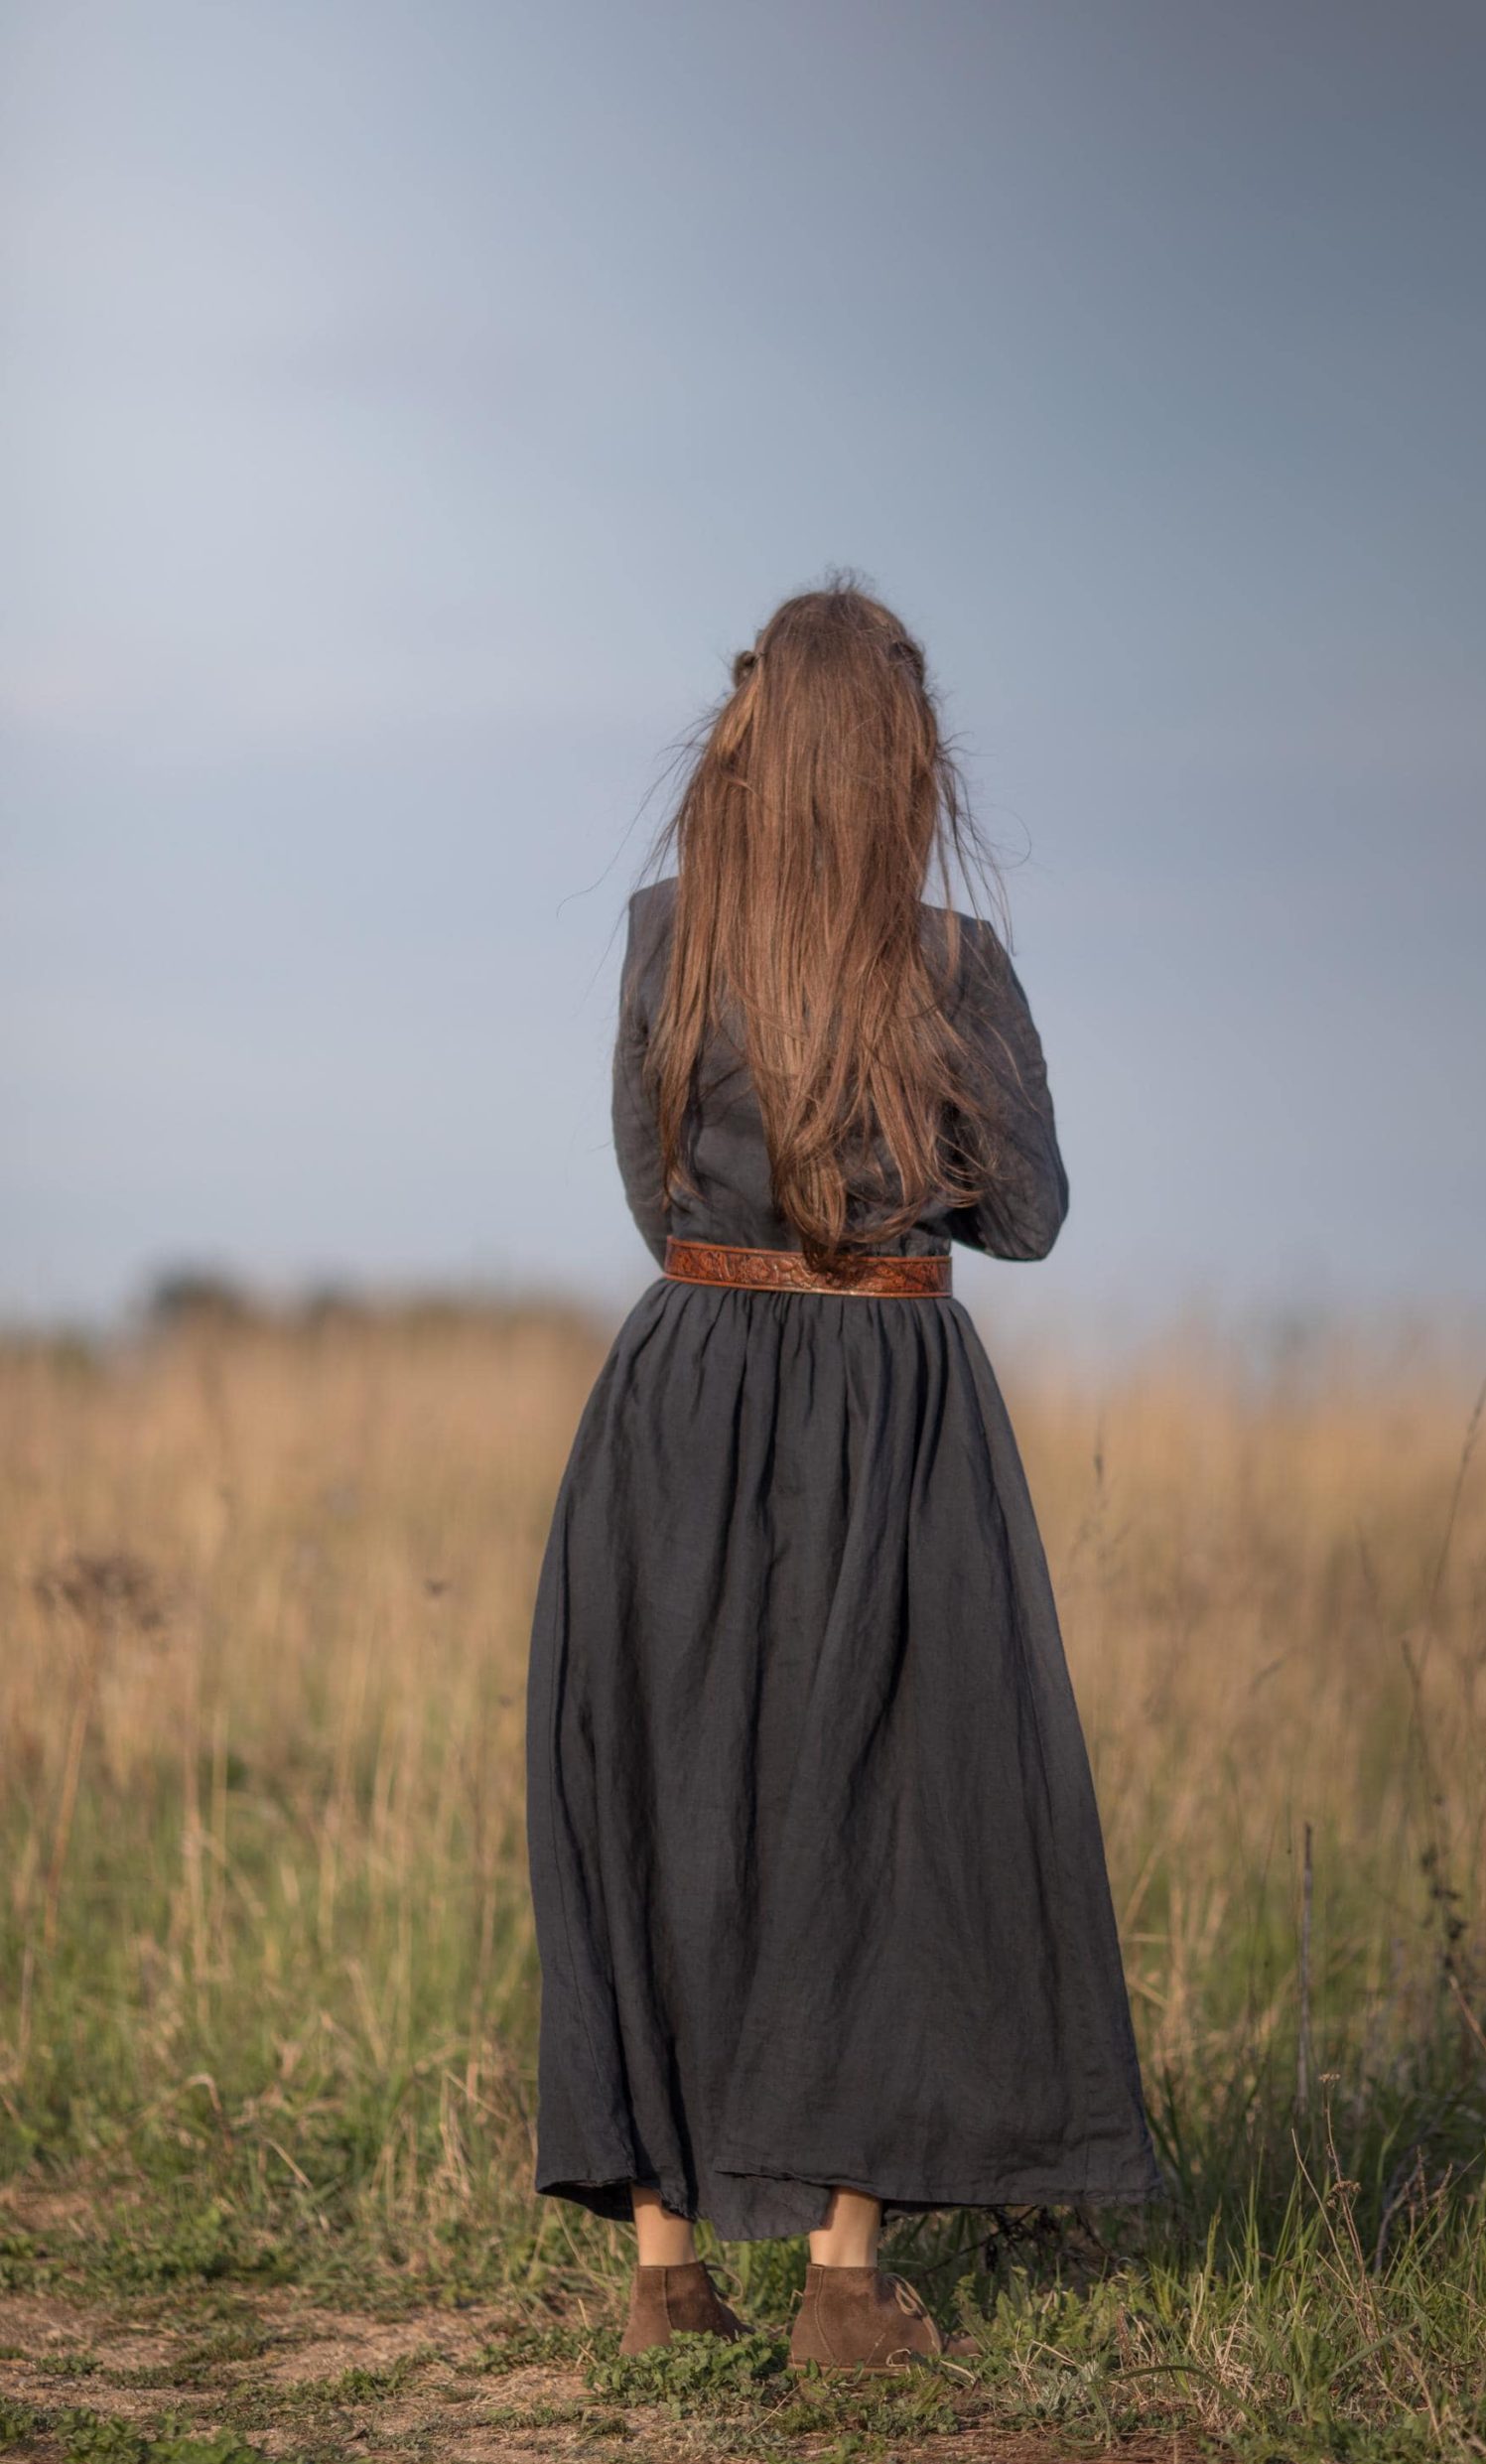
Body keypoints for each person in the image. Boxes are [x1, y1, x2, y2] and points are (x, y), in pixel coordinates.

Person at [524, 575, 1162, 2371]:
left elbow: (655, 1196)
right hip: (888, 1394)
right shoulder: (954, 964)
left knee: (664, 1799)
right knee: (876, 1811)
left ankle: (662, 2280)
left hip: (684, 1385)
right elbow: (1025, 1220)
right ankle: (843, 2285)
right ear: (900, 762)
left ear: (745, 748)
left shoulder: (665, 937)